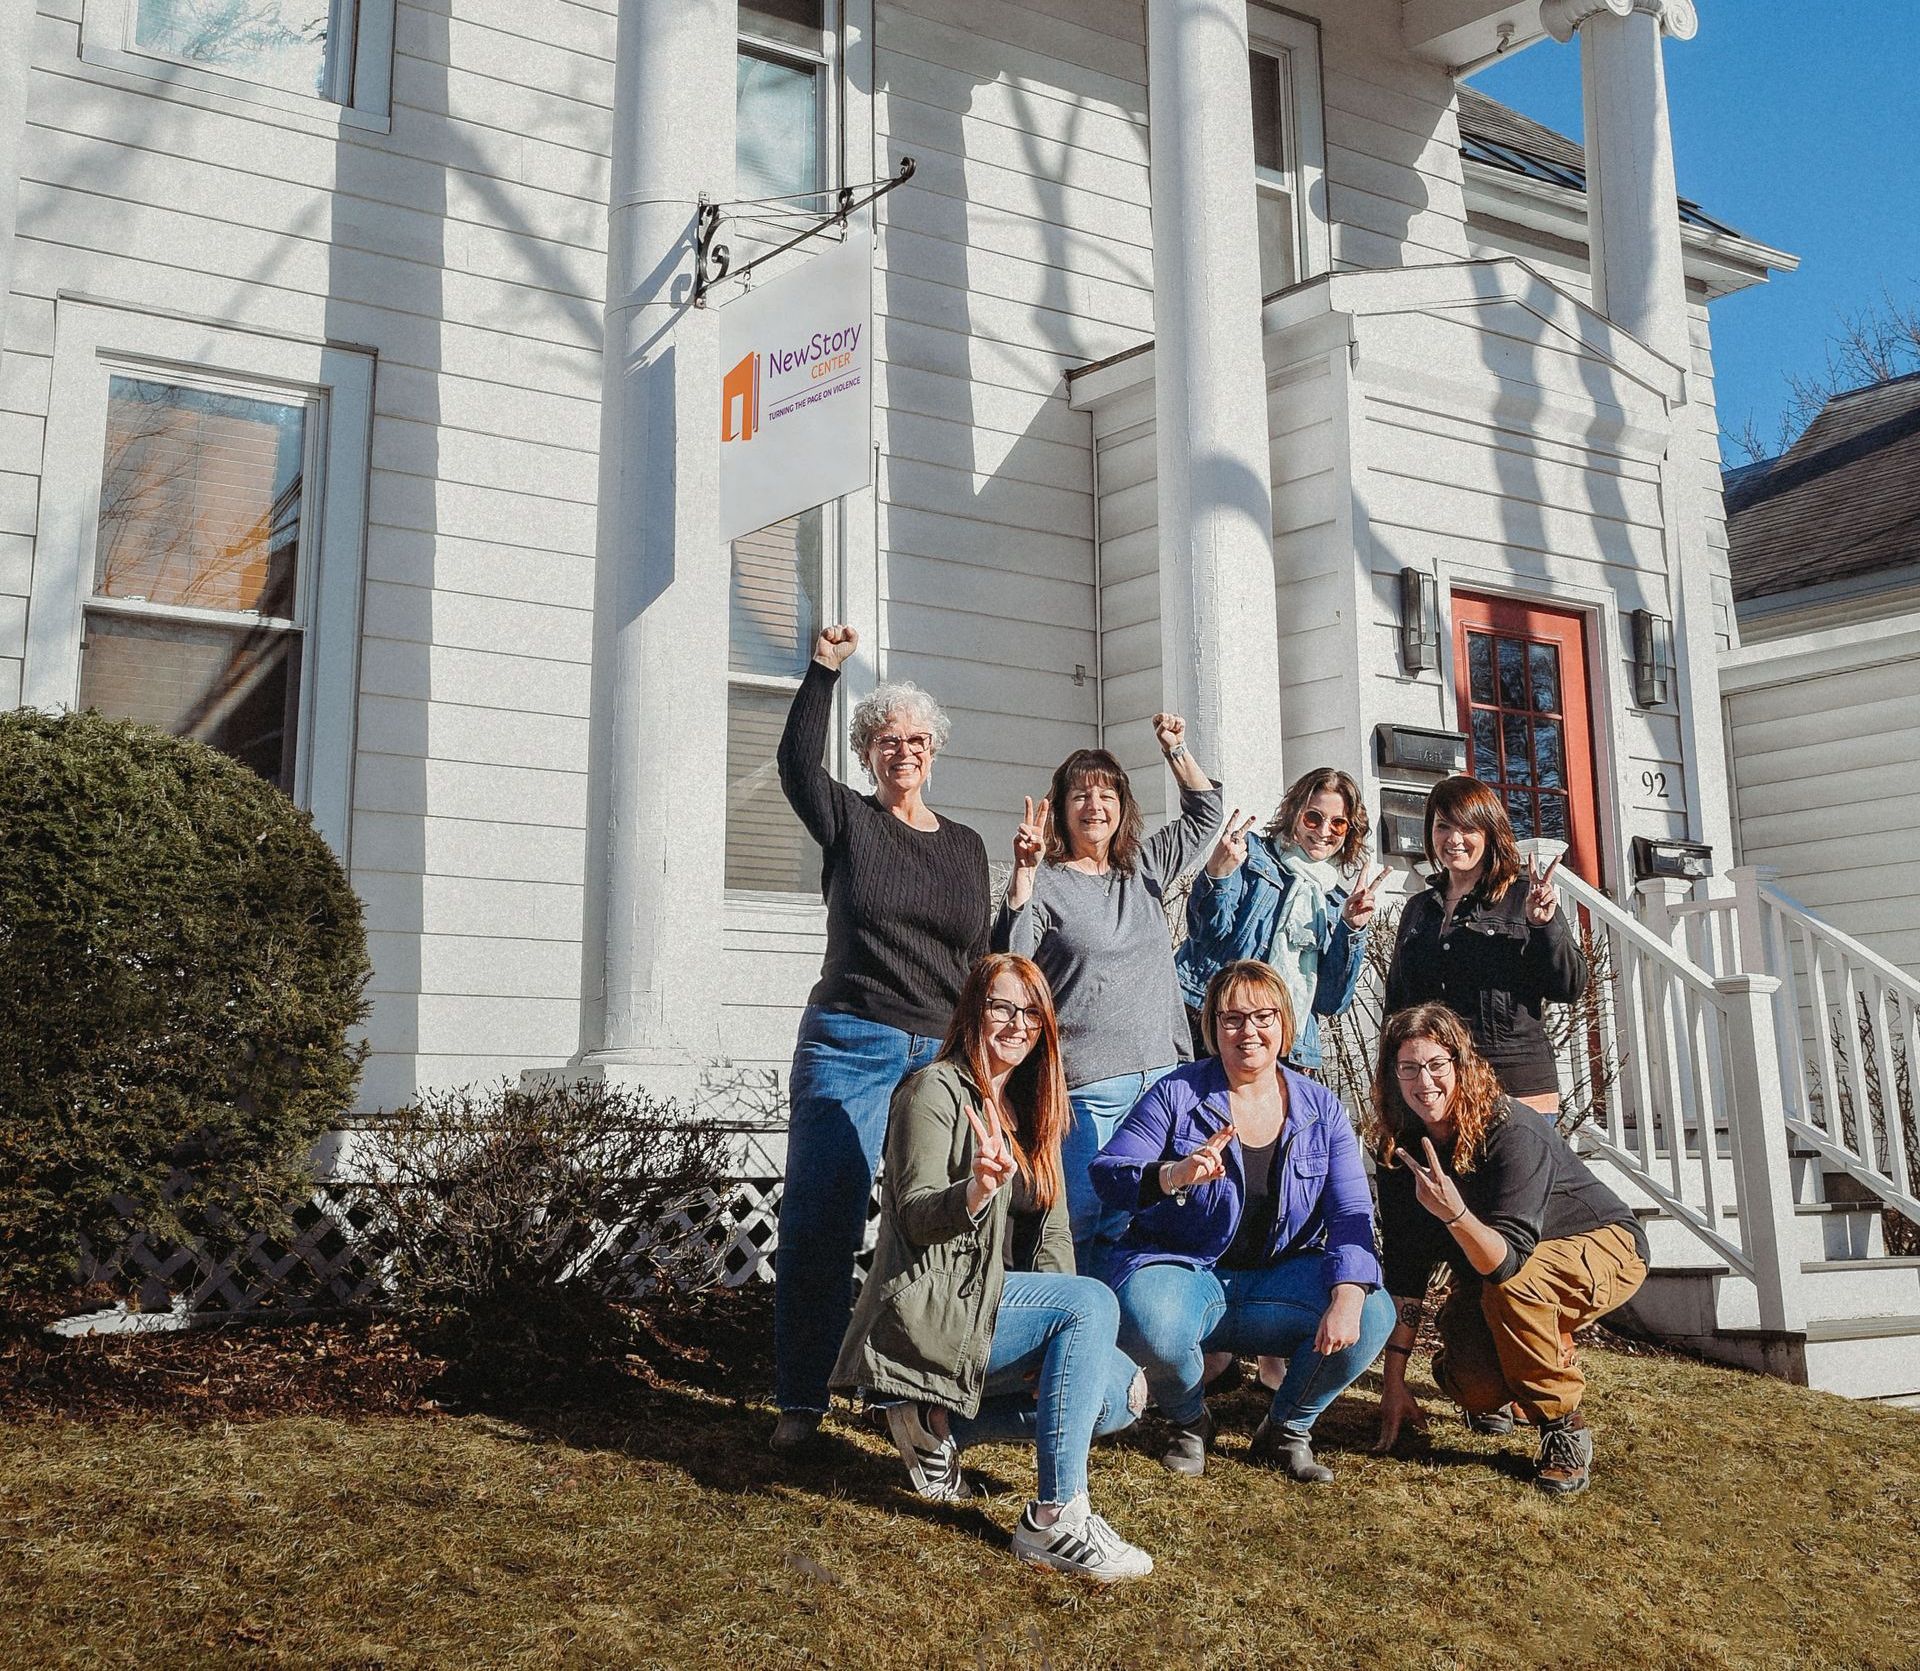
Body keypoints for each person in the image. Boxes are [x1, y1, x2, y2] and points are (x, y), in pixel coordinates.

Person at [833, 954, 1152, 1583]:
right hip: (931, 1303)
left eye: (1031, 1010)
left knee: (1123, 1393)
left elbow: (1055, 1236)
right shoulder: (931, 1091)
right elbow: (916, 1215)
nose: (1017, 1022)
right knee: (1091, 1306)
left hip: (999, 1305)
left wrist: (1058, 1335)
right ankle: (1056, 1517)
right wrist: (974, 1194)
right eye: (1002, 1006)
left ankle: (937, 1424)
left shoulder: (1036, 1110)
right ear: (973, 1010)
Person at [770, 624, 991, 1455]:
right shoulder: (848, 821)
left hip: (938, 1055)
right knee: (823, 1218)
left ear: (934, 752)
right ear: (868, 753)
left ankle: (906, 1387)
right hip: (852, 1040)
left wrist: (980, 1061)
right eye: (887, 740)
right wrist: (824, 670)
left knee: (931, 1223)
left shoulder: (967, 847)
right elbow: (795, 763)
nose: (904, 751)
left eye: (917, 740)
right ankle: (800, 1400)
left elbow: (975, 960)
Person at [1088, 960, 1396, 1483]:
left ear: (1284, 1025)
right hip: (1185, 1273)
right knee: (1148, 1317)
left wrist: (1348, 1293)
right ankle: (1189, 1422)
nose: (1248, 1032)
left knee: (1369, 1313)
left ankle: (1286, 1430)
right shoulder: (1176, 1093)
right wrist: (1173, 1174)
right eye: (1232, 1019)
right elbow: (1109, 1173)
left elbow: (1350, 1211)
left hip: (1280, 1279)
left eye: (1262, 1016)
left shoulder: (1321, 1108)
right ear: (1212, 1027)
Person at [1368, 1002, 1649, 1497]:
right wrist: (1394, 1383)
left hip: (1602, 1244)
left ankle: (1564, 1428)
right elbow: (1406, 1271)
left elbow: (1510, 1260)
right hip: (1500, 1269)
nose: (1424, 1081)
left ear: (1461, 1064)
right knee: (1475, 1386)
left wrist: (1454, 1213)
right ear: (1393, 1077)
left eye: (1437, 1065)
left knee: (1515, 1286)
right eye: (1408, 1068)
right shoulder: (1400, 1147)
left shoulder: (1510, 1128)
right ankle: (1507, 1379)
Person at [993, 719, 1222, 1272]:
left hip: (1163, 1081)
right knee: (1079, 1225)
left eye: (1106, 794)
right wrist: (1022, 877)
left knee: (1149, 1222)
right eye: (1080, 795)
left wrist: (1175, 750)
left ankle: (1130, 1346)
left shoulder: (1142, 867)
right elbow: (1011, 961)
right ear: (1061, 808)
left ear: (1122, 805)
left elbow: (1207, 815)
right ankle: (1073, 1337)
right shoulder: (1047, 881)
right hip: (1090, 1087)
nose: (1094, 805)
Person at [1383, 774, 1587, 1114]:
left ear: (1490, 832)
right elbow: (1398, 1006)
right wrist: (1393, 1085)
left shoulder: (1523, 896)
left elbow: (1568, 987)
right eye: (1443, 827)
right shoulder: (1418, 910)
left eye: (1468, 828)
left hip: (1513, 1087)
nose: (1454, 839)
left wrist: (1542, 925)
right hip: (1434, 1090)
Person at [1176, 766, 1388, 1072]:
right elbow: (1206, 932)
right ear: (1295, 814)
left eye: (1338, 823)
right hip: (1212, 1026)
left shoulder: (1337, 903)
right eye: (1313, 817)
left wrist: (1351, 929)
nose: (1323, 831)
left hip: (1284, 1045)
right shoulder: (1251, 856)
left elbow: (1331, 1001)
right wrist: (1218, 874)